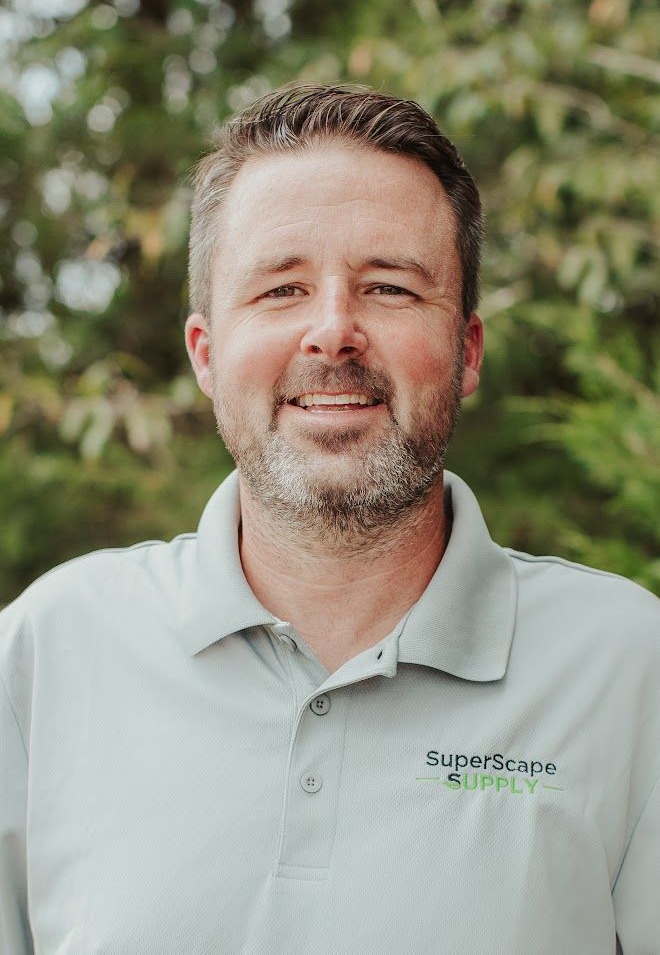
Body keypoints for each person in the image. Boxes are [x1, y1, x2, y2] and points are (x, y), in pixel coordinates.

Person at [0, 84, 657, 955]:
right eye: (281, 289)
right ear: (206, 353)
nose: (333, 331)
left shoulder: (630, 668)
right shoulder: (48, 652)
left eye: (388, 286)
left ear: (466, 351)